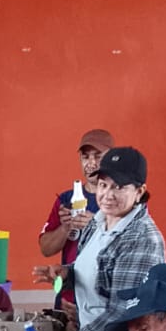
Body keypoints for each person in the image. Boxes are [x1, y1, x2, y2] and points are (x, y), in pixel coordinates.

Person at [32, 145, 166, 331]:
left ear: (139, 191)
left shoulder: (141, 238)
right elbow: (99, 271)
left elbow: (121, 314)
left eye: (118, 187)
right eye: (103, 185)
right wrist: (66, 274)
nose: (107, 195)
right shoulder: (98, 222)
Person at [37, 127, 113, 310]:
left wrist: (97, 225)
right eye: (86, 157)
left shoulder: (120, 199)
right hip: (68, 298)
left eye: (98, 156)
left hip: (104, 301)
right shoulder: (66, 200)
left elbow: (129, 244)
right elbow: (46, 249)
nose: (91, 163)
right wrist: (65, 228)